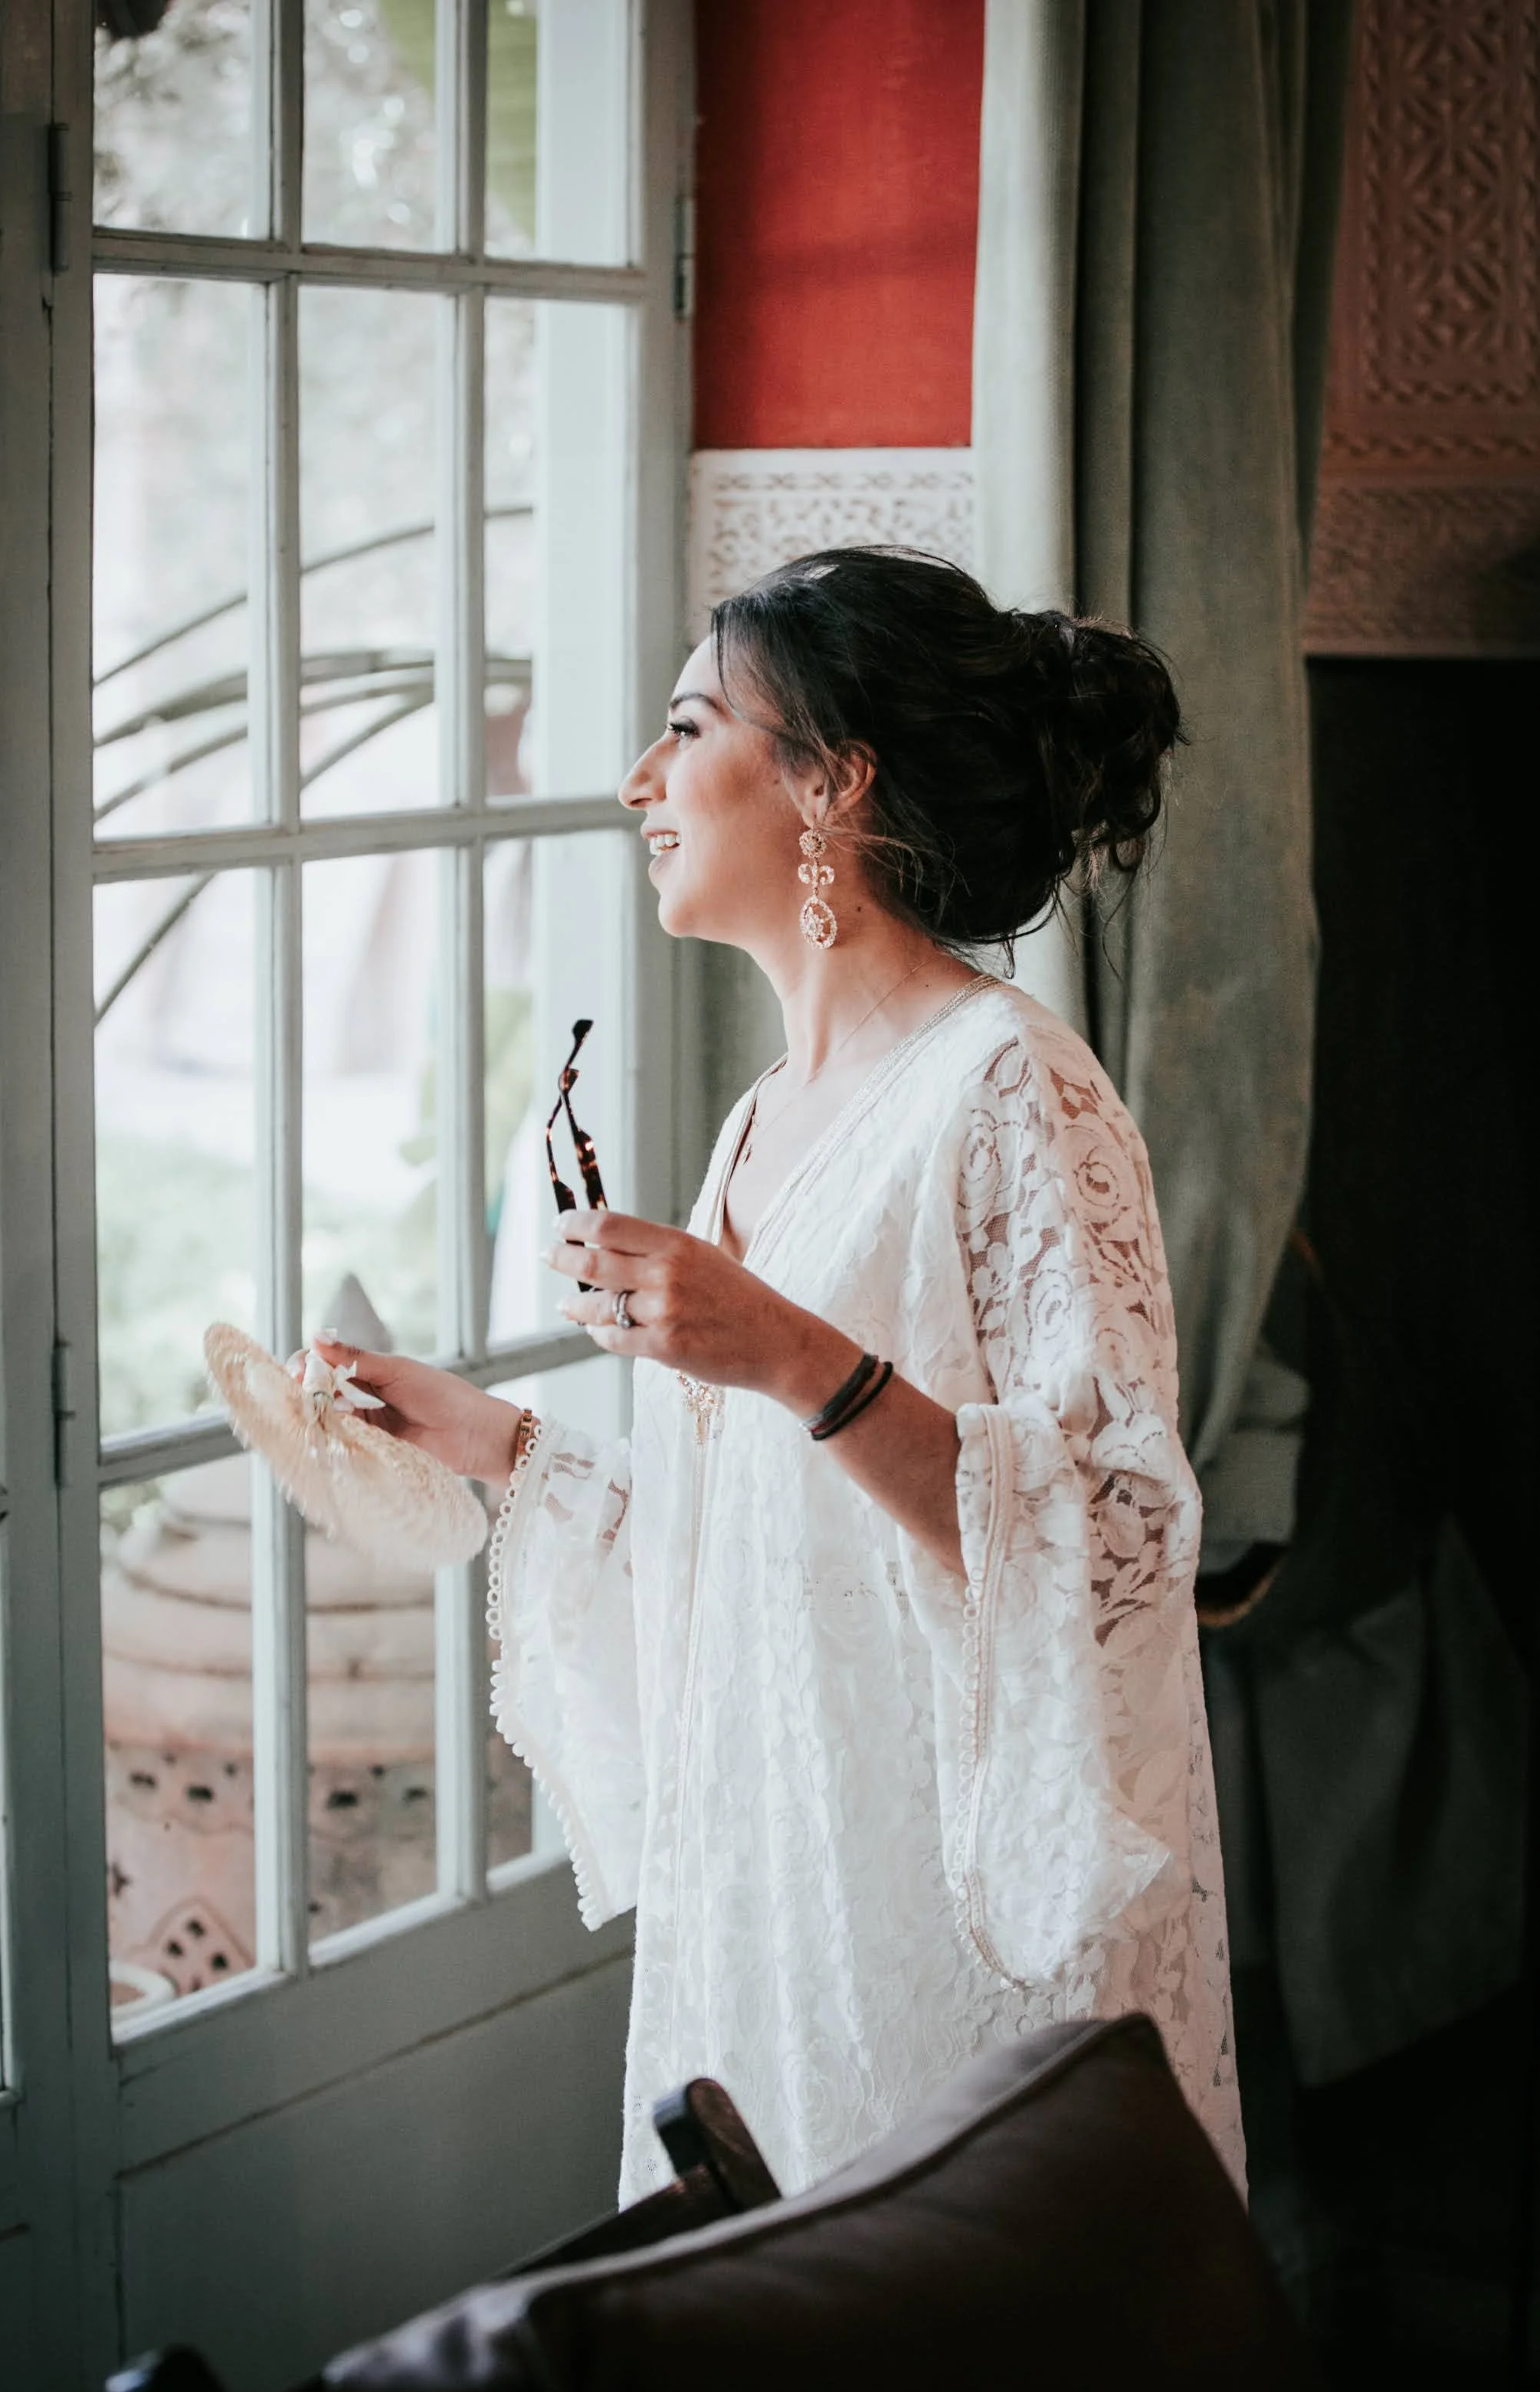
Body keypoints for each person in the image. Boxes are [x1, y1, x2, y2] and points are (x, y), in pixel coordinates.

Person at [319, 547, 1243, 2199]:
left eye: (688, 726)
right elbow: (756, 1546)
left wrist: (791, 1352)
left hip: (935, 1903)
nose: (637, 779)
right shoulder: (763, 1118)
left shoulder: (1013, 1087)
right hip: (769, 1882)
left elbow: (1112, 1540)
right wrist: (504, 1446)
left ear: (829, 779)